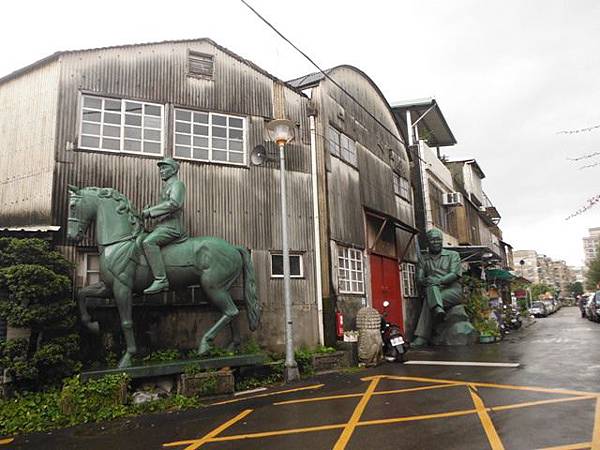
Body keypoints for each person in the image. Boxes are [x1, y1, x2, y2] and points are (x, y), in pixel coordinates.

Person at [141, 158, 186, 294]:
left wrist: (151, 211)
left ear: (173, 170)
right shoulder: (166, 187)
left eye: (164, 168)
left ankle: (161, 279)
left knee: (148, 242)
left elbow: (174, 204)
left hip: (172, 227)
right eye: (160, 169)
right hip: (162, 226)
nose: (161, 171)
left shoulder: (178, 185)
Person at [412, 228, 462, 347]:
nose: (436, 242)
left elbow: (454, 274)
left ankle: (422, 337)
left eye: (438, 240)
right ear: (427, 242)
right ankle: (438, 308)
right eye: (433, 240)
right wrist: (427, 281)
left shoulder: (453, 255)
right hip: (433, 290)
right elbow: (419, 279)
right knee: (431, 289)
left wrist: (437, 281)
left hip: (452, 291)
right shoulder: (423, 258)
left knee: (430, 294)